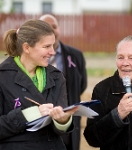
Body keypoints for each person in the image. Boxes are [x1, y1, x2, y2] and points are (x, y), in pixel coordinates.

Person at [0, 19, 79, 150]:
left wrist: (63, 121)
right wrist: (30, 114)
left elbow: (61, 130)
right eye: (46, 47)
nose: (53, 52)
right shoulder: (2, 76)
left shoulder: (57, 76)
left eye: (53, 46)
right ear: (27, 48)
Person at [39, 14, 87, 150]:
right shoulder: (32, 57)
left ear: (59, 29)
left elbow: (81, 85)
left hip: (69, 125)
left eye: (54, 26)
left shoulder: (76, 55)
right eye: (46, 27)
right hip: (41, 127)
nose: (51, 30)